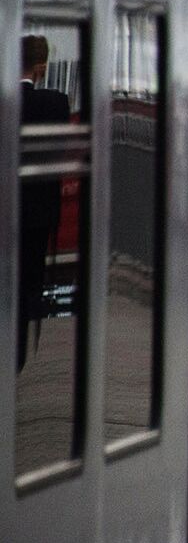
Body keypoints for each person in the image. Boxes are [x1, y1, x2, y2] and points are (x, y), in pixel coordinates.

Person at [18, 35, 70, 370]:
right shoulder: (56, 103)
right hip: (37, 216)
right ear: (41, 67)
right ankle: (16, 357)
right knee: (28, 285)